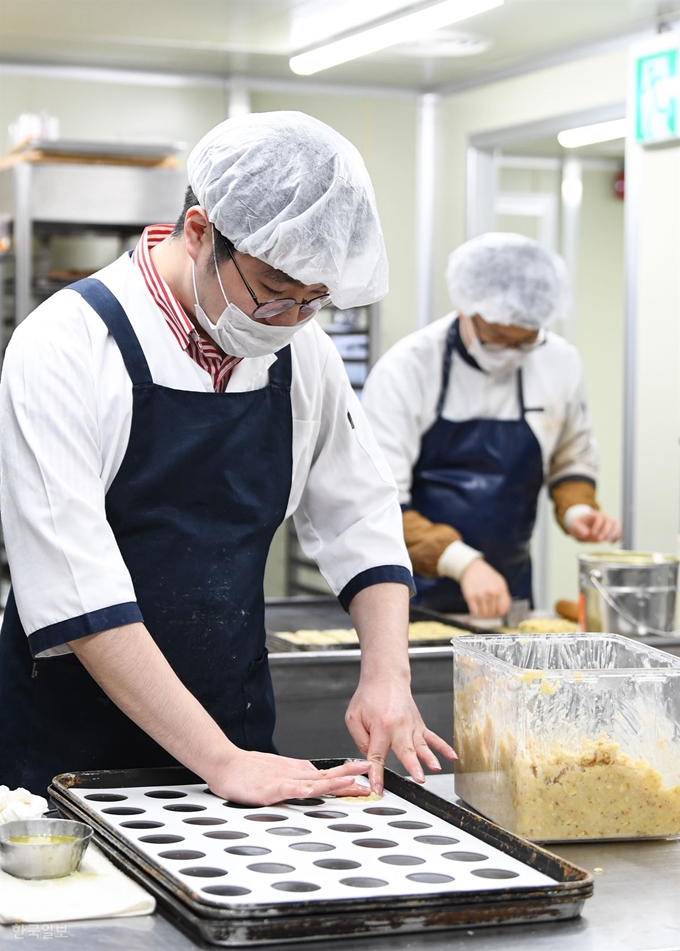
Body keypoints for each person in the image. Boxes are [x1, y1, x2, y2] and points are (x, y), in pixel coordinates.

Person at [0, 111, 455, 800]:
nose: (291, 321)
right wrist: (218, 760)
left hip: (235, 728)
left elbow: (359, 510)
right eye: (273, 294)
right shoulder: (65, 345)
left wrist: (387, 674)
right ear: (200, 232)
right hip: (71, 747)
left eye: (315, 301)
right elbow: (75, 584)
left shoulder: (301, 352)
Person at [362, 232, 621, 618]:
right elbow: (380, 503)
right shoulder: (409, 368)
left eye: (526, 342)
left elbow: (571, 457)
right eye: (498, 339)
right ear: (467, 308)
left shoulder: (558, 361)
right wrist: (464, 563)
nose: (512, 354)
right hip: (410, 590)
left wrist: (578, 511)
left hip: (507, 583)